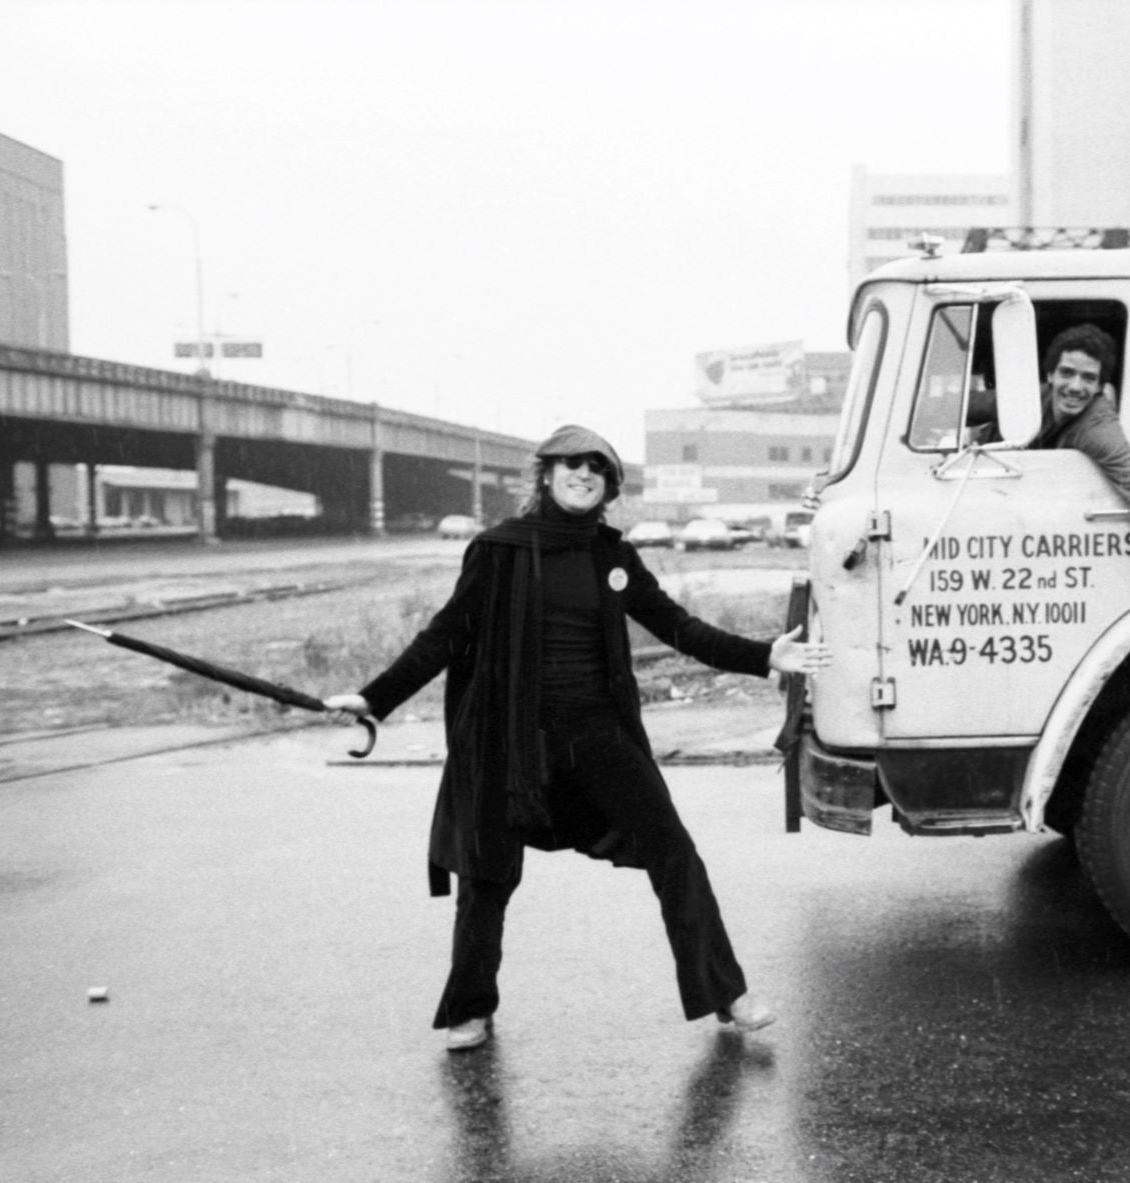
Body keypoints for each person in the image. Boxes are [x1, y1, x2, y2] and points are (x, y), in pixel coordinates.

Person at [324, 424, 830, 1052]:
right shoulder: (499, 549)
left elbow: (677, 625)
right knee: (487, 875)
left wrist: (764, 657)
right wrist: (375, 698)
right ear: (545, 474)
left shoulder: (613, 557)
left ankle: (726, 994)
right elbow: (446, 633)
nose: (583, 474)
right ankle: (471, 1008)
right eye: (570, 464)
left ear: (609, 485)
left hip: (597, 732)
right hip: (511, 738)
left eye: (597, 467)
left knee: (674, 852)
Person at [1030, 323, 1130, 626]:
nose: (1075, 386)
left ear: (1100, 387)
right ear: (1049, 375)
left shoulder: (1097, 428)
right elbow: (982, 404)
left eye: (1088, 378)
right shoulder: (1034, 400)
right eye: (1067, 372)